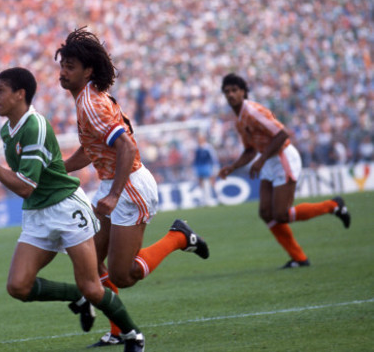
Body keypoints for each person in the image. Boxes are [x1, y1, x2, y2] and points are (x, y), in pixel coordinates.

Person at [0, 67, 146, 352]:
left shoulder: (35, 127)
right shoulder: (8, 130)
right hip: (38, 213)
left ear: (20, 94)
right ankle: (76, 297)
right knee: (18, 286)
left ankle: (132, 334)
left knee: (93, 286)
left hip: (65, 209)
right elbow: (29, 190)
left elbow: (26, 186)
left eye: (0, 90)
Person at [54, 27, 209, 347]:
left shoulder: (91, 105)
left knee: (123, 275)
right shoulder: (86, 100)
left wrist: (112, 194)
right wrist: (57, 169)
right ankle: (117, 332)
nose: (63, 72)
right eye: (62, 65)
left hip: (129, 187)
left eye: (70, 66)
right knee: (91, 263)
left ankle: (179, 237)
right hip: (114, 184)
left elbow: (125, 146)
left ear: (88, 71)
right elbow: (92, 150)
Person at [217, 73, 351, 268]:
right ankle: (299, 258)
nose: (230, 94)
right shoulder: (239, 119)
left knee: (281, 214)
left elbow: (281, 134)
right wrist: (233, 167)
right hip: (269, 161)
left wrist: (261, 160)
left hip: (282, 157)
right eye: (227, 91)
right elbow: (250, 149)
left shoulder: (252, 111)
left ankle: (333, 205)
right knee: (265, 213)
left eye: (234, 90)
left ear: (243, 92)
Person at [193, 134, 219, 206]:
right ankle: (205, 199)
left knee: (212, 181)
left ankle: (218, 197)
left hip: (207, 166)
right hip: (200, 167)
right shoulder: (197, 149)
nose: (199, 141)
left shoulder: (208, 148)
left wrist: (215, 167)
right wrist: (195, 168)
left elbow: (213, 158)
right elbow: (196, 159)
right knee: (201, 183)